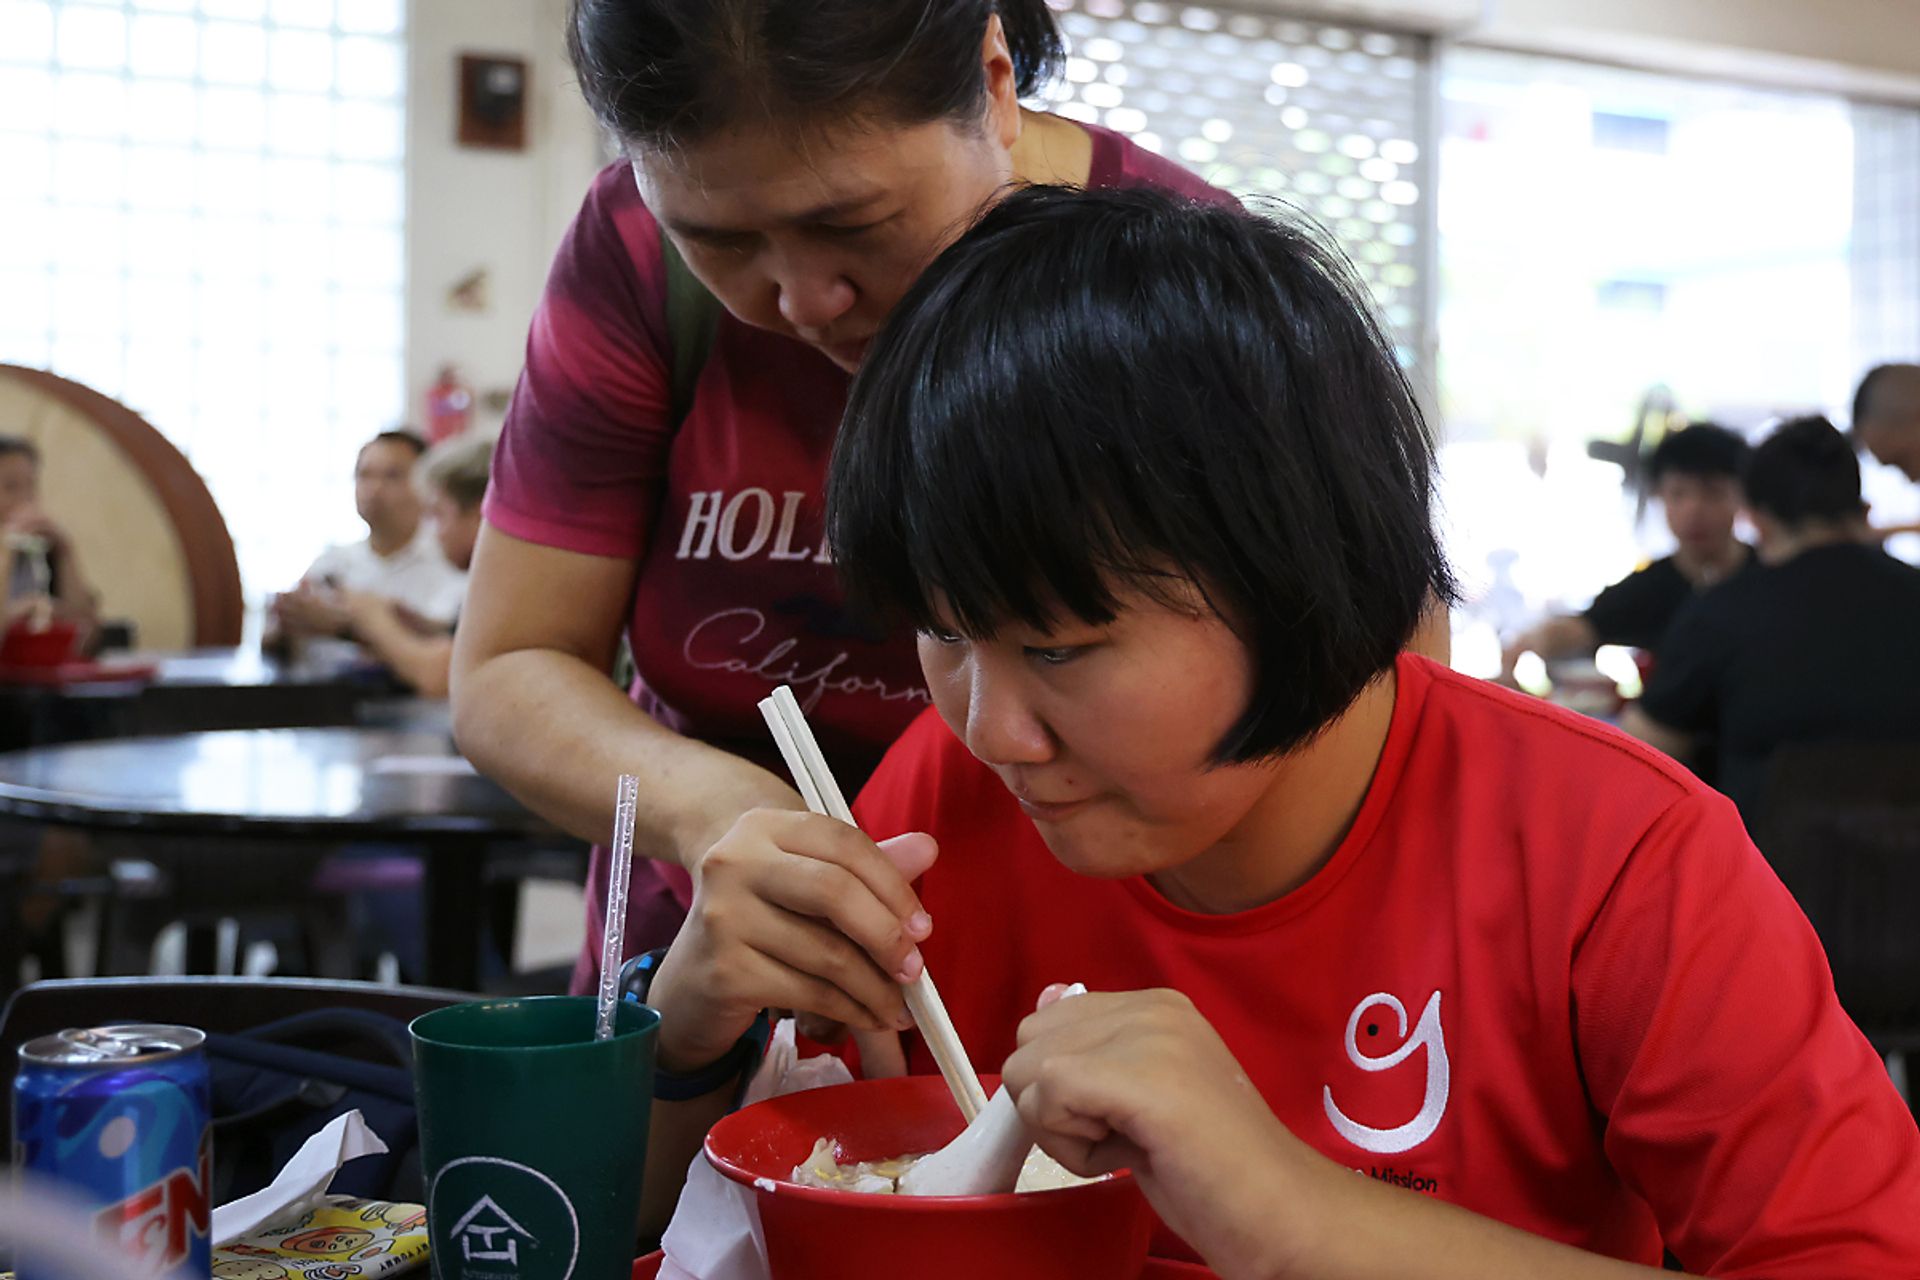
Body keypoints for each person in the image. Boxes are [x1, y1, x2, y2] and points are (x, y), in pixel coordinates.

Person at [640, 188, 1920, 1273]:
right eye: (941, 632)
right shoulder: (948, 796)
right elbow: (692, 1225)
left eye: (1059, 647)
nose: (992, 726)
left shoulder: (1621, 856)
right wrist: (684, 1036)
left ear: (1299, 573)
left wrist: (1290, 1211)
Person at [450, 0, 1263, 1000]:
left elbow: (1364, 676)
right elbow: (509, 667)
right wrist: (719, 812)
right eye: (722, 241)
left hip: (1089, 948)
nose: (800, 300)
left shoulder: (1175, 273)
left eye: (853, 224)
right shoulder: (629, 255)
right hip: (719, 938)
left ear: (995, 83)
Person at [1624, 416, 1920, 818]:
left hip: (1766, 872)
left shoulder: (1722, 612)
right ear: (1858, 507)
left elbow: (1643, 751)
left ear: (1757, 517)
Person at [1501, 423, 1750, 677]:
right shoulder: (1649, 587)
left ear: (1742, 496)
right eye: (1678, 494)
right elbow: (1584, 626)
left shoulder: (1770, 578)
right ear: (1659, 495)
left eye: (1713, 494)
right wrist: (1526, 644)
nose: (1694, 509)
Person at [270, 429, 466, 644]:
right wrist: (287, 619)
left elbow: (441, 651)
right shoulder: (332, 563)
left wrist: (348, 626)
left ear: (428, 485)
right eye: (364, 475)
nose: (374, 489)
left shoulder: (451, 563)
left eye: (392, 476)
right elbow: (272, 639)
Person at [339, 433, 491, 698]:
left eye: (438, 514)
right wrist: (425, 627)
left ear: (480, 513)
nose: (434, 531)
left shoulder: (506, 585)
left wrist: (370, 617)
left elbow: (442, 677)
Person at [0, 435, 99, 644]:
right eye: (11, 487)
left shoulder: (43, 552)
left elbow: (87, 640)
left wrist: (65, 551)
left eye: (31, 486)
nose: (25, 498)